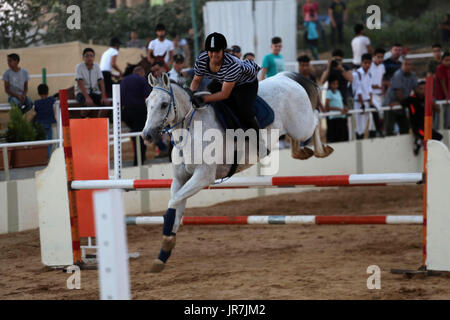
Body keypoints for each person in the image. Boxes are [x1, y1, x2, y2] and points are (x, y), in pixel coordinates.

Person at [190, 32, 263, 154]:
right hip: (223, 80)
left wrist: (204, 99)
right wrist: (191, 95)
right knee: (211, 89)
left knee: (244, 112)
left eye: (217, 51)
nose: (213, 55)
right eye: (210, 51)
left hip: (246, 83)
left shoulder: (232, 64)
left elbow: (224, 94)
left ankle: (259, 144)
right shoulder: (201, 60)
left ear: (223, 51)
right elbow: (196, 80)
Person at [120, 66, 152, 166]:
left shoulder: (123, 80)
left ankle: (139, 159)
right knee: (141, 135)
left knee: (135, 133)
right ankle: (139, 160)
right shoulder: (142, 80)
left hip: (125, 112)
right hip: (139, 111)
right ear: (141, 72)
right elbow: (149, 96)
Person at [401, 81, 442, 155]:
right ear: (416, 89)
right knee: (426, 137)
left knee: (438, 137)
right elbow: (401, 103)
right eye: (421, 88)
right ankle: (418, 142)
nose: (423, 90)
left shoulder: (428, 99)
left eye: (425, 89)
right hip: (417, 127)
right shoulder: (411, 99)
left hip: (426, 126)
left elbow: (438, 109)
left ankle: (420, 142)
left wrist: (431, 103)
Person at [383, 58, 418, 136]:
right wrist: (408, 102)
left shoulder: (413, 75)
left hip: (401, 104)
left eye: (409, 64)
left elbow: (417, 90)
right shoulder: (397, 75)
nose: (408, 66)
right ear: (402, 65)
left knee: (405, 128)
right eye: (406, 64)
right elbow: (399, 93)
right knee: (389, 129)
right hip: (391, 105)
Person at [75, 48, 109, 117]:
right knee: (87, 106)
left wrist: (103, 96)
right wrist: (87, 97)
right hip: (81, 92)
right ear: (83, 58)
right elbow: (79, 82)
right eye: (87, 56)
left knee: (107, 104)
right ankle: (82, 120)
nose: (89, 58)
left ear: (94, 57)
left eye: (91, 56)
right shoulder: (79, 67)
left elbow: (101, 81)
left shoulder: (97, 66)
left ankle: (99, 122)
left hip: (95, 92)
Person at [352, 53, 375, 139]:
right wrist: (362, 104)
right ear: (361, 63)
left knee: (365, 124)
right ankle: (358, 142)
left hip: (366, 101)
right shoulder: (356, 74)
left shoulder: (369, 74)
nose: (367, 65)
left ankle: (363, 141)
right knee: (359, 126)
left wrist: (371, 102)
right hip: (358, 102)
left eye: (369, 63)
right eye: (365, 63)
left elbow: (370, 89)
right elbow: (358, 90)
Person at [34, 84, 56, 158]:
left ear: (38, 93)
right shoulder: (51, 100)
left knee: (41, 142)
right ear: (48, 92)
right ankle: (47, 157)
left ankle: (42, 157)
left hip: (39, 124)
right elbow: (56, 97)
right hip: (49, 123)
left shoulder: (36, 102)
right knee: (49, 142)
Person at [325, 75, 348, 142]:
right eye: (333, 84)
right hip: (334, 120)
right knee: (335, 139)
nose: (335, 86)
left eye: (336, 84)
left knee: (343, 138)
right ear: (330, 84)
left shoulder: (338, 92)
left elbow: (341, 103)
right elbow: (327, 107)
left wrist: (345, 107)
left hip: (342, 118)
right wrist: (338, 109)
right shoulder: (329, 93)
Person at [369, 48, 386, 136]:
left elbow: (382, 79)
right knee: (374, 115)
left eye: (382, 57)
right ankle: (376, 133)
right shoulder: (369, 66)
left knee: (382, 114)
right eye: (378, 57)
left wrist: (382, 88)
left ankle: (380, 131)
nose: (380, 59)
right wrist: (375, 86)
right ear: (374, 57)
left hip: (380, 94)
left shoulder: (382, 66)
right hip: (372, 94)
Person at [435, 51, 450, 129]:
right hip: (440, 97)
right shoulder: (440, 68)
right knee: (439, 118)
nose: (448, 62)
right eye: (446, 60)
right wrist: (447, 96)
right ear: (442, 60)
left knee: (448, 117)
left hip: (447, 97)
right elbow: (442, 83)